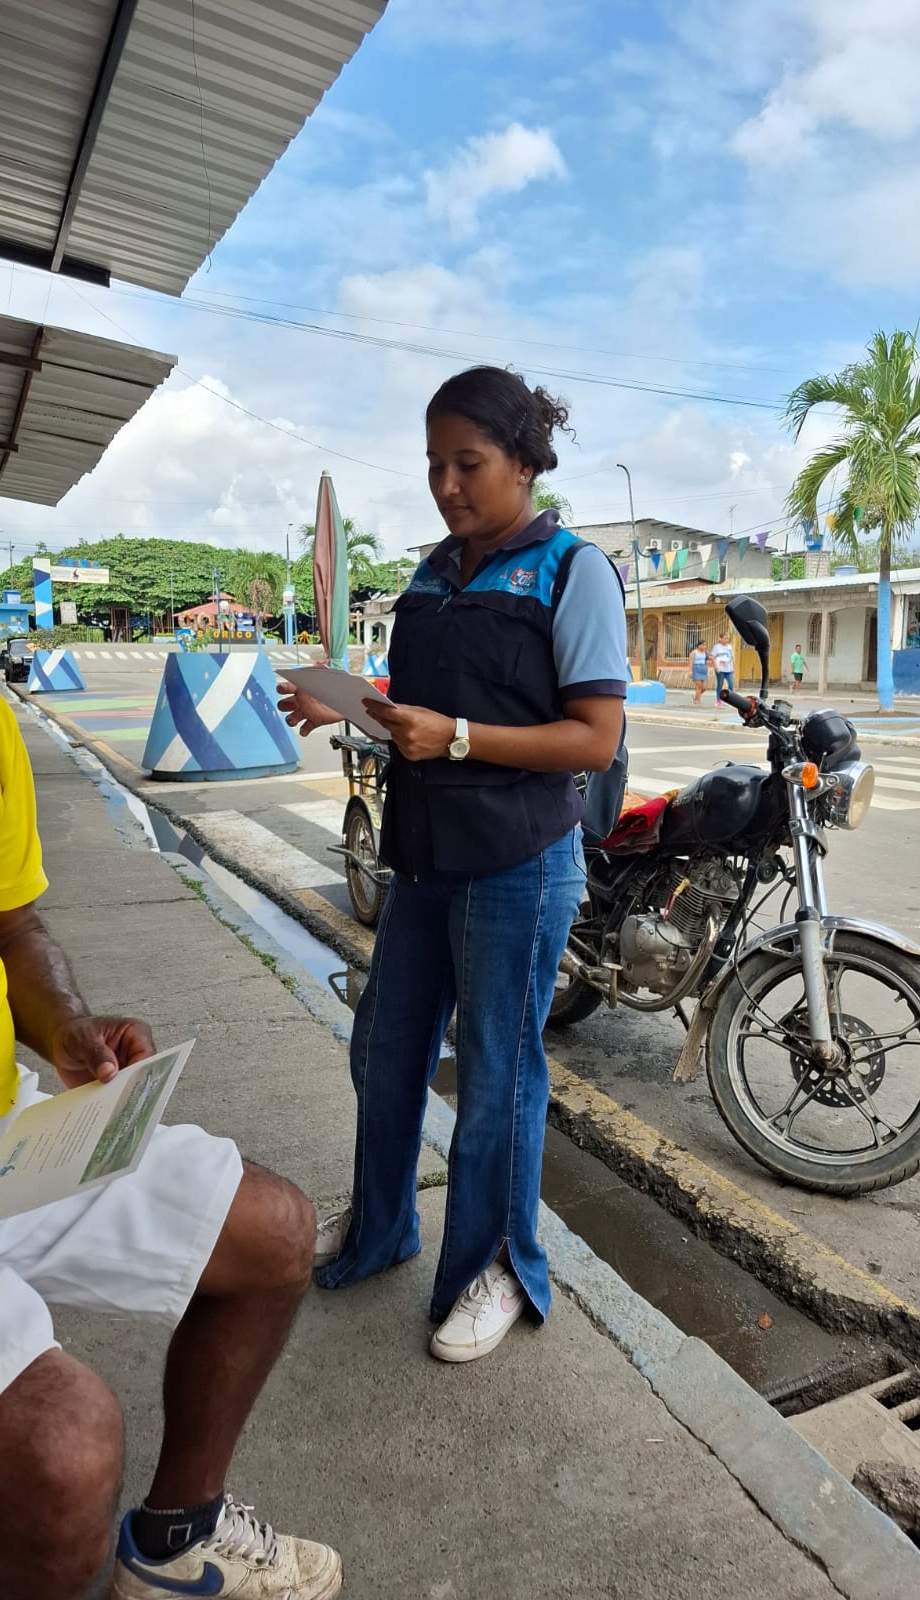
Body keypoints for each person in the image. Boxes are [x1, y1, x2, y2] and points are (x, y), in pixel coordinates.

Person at [0, 381, 341, 1600]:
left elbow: (11, 927)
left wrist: (67, 1029)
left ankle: (178, 1537)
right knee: (66, 1451)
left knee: (275, 1231)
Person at [279, 366, 626, 1364]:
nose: (446, 485)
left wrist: (462, 738)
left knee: (497, 1074)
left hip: (519, 861)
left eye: (467, 463)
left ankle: (501, 1265)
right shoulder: (434, 572)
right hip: (423, 854)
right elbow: (417, 710)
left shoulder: (570, 570)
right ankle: (383, 1225)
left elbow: (594, 737)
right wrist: (351, 703)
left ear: (523, 460)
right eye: (434, 464)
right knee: (384, 1048)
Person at [710, 629, 735, 705]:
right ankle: (718, 700)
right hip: (720, 669)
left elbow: (732, 657)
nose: (726, 640)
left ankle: (729, 700)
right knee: (720, 684)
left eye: (727, 638)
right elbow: (712, 657)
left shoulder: (729, 647)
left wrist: (733, 667)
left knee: (731, 684)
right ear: (720, 639)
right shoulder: (716, 647)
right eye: (724, 638)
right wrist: (716, 667)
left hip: (729, 669)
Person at [690, 639, 709, 705]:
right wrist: (690, 671)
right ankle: (697, 701)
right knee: (699, 686)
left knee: (704, 687)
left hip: (703, 669)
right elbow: (691, 662)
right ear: (699, 646)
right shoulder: (694, 652)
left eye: (705, 645)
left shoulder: (705, 653)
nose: (705, 646)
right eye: (703, 645)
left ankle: (695, 696)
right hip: (696, 668)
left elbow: (706, 660)